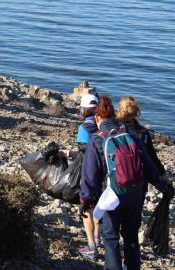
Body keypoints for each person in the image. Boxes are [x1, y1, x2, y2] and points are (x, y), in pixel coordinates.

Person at [80, 95, 173, 270]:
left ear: (97, 117)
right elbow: (149, 166)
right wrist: (163, 187)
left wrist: (86, 200)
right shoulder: (130, 135)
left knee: (111, 236)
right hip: (136, 193)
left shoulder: (97, 139)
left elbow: (89, 175)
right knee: (131, 237)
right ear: (114, 115)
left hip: (111, 195)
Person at [117, 96, 170, 186]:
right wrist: (165, 178)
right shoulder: (143, 132)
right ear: (136, 112)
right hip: (139, 178)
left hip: (117, 175)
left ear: (119, 108)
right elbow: (152, 157)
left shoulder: (113, 128)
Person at [76, 93, 102, 259]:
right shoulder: (103, 124)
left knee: (87, 208)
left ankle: (91, 246)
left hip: (89, 172)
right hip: (106, 173)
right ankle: (99, 240)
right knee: (100, 207)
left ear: (83, 108)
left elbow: (82, 150)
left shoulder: (83, 127)